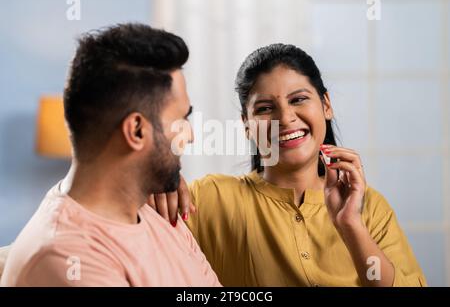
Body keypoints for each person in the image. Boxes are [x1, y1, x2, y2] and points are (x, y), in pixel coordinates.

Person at [151, 44, 427, 287]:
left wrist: (351, 225)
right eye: (264, 109)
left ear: (326, 105)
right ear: (247, 125)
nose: (285, 118)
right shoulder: (210, 199)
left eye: (298, 100)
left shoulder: (370, 207)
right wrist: (155, 179)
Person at [0, 23, 220, 287]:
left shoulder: (156, 213)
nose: (191, 136)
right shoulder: (67, 259)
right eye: (181, 120)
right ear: (136, 131)